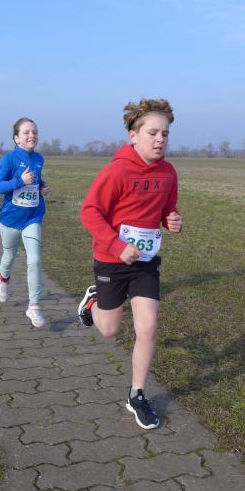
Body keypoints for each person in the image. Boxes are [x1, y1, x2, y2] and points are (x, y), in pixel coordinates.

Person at [77, 98, 182, 429]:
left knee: (147, 326)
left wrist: (172, 219)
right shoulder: (117, 171)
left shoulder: (168, 172)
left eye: (165, 134)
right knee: (109, 330)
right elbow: (89, 212)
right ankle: (92, 302)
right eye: (153, 133)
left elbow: (167, 208)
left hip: (145, 262)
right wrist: (117, 245)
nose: (160, 139)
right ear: (133, 135)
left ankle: (137, 394)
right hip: (111, 260)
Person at [0, 117, 50, 327]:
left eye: (34, 132)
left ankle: (33, 306)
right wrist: (19, 181)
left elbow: (35, 181)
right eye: (26, 132)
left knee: (34, 259)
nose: (32, 135)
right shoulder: (9, 160)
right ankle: (3, 280)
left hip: (32, 217)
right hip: (10, 218)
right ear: (16, 138)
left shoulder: (39, 158)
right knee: (9, 255)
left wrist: (42, 187)